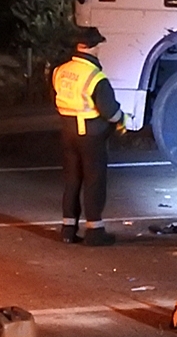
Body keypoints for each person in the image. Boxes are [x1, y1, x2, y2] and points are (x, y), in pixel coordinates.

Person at [52, 26, 125, 246]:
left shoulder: (60, 70)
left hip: (67, 131)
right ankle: (94, 231)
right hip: (91, 135)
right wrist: (123, 120)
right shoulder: (95, 76)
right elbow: (110, 111)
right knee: (94, 180)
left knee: (72, 180)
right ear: (94, 47)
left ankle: (68, 229)